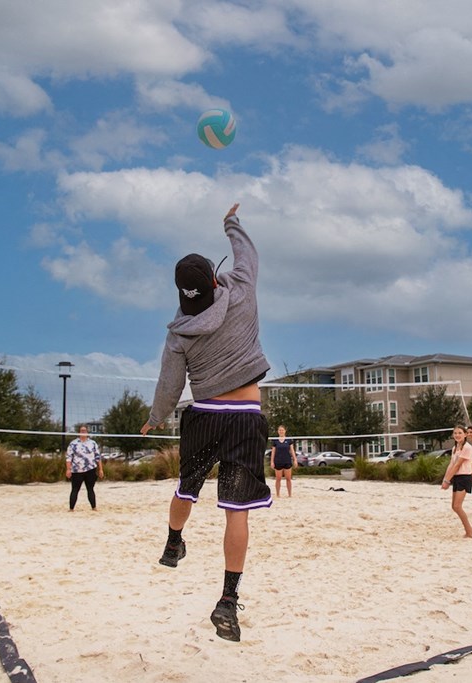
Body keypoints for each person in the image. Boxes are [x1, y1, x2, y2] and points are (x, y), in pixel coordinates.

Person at [140, 202, 271, 643]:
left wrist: (156, 417)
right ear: (216, 280)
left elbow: (169, 382)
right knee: (236, 511)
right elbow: (248, 257)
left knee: (187, 487)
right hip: (244, 419)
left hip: (203, 416)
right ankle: (228, 602)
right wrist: (230, 224)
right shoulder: (242, 290)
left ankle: (173, 541)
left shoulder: (179, 330)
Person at [440, 425, 472, 538]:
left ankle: (470, 532)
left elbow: (457, 465)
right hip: (457, 478)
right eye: (455, 433)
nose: (457, 435)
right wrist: (445, 479)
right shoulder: (455, 448)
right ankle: (468, 531)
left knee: (457, 506)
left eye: (460, 433)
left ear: (465, 434)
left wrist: (447, 480)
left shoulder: (467, 448)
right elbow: (451, 465)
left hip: (464, 478)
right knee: (454, 506)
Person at [65, 426, 103, 511]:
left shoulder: (92, 443)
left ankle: (94, 507)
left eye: (84, 430)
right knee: (75, 489)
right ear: (79, 432)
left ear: (87, 432)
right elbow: (68, 457)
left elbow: (98, 457)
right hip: (76, 470)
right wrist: (68, 469)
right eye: (81, 430)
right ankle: (71, 508)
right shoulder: (73, 443)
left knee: (90, 489)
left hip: (90, 469)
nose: (83, 432)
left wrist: (100, 469)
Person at [270, 425, 297, 498]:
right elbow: (273, 452)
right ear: (278, 431)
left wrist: (295, 460)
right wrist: (272, 462)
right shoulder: (275, 440)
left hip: (287, 461)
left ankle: (289, 494)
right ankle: (278, 494)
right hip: (278, 461)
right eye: (279, 430)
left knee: (288, 479)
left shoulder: (288, 440)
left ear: (285, 431)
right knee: (278, 479)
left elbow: (292, 450)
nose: (281, 431)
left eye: (282, 430)